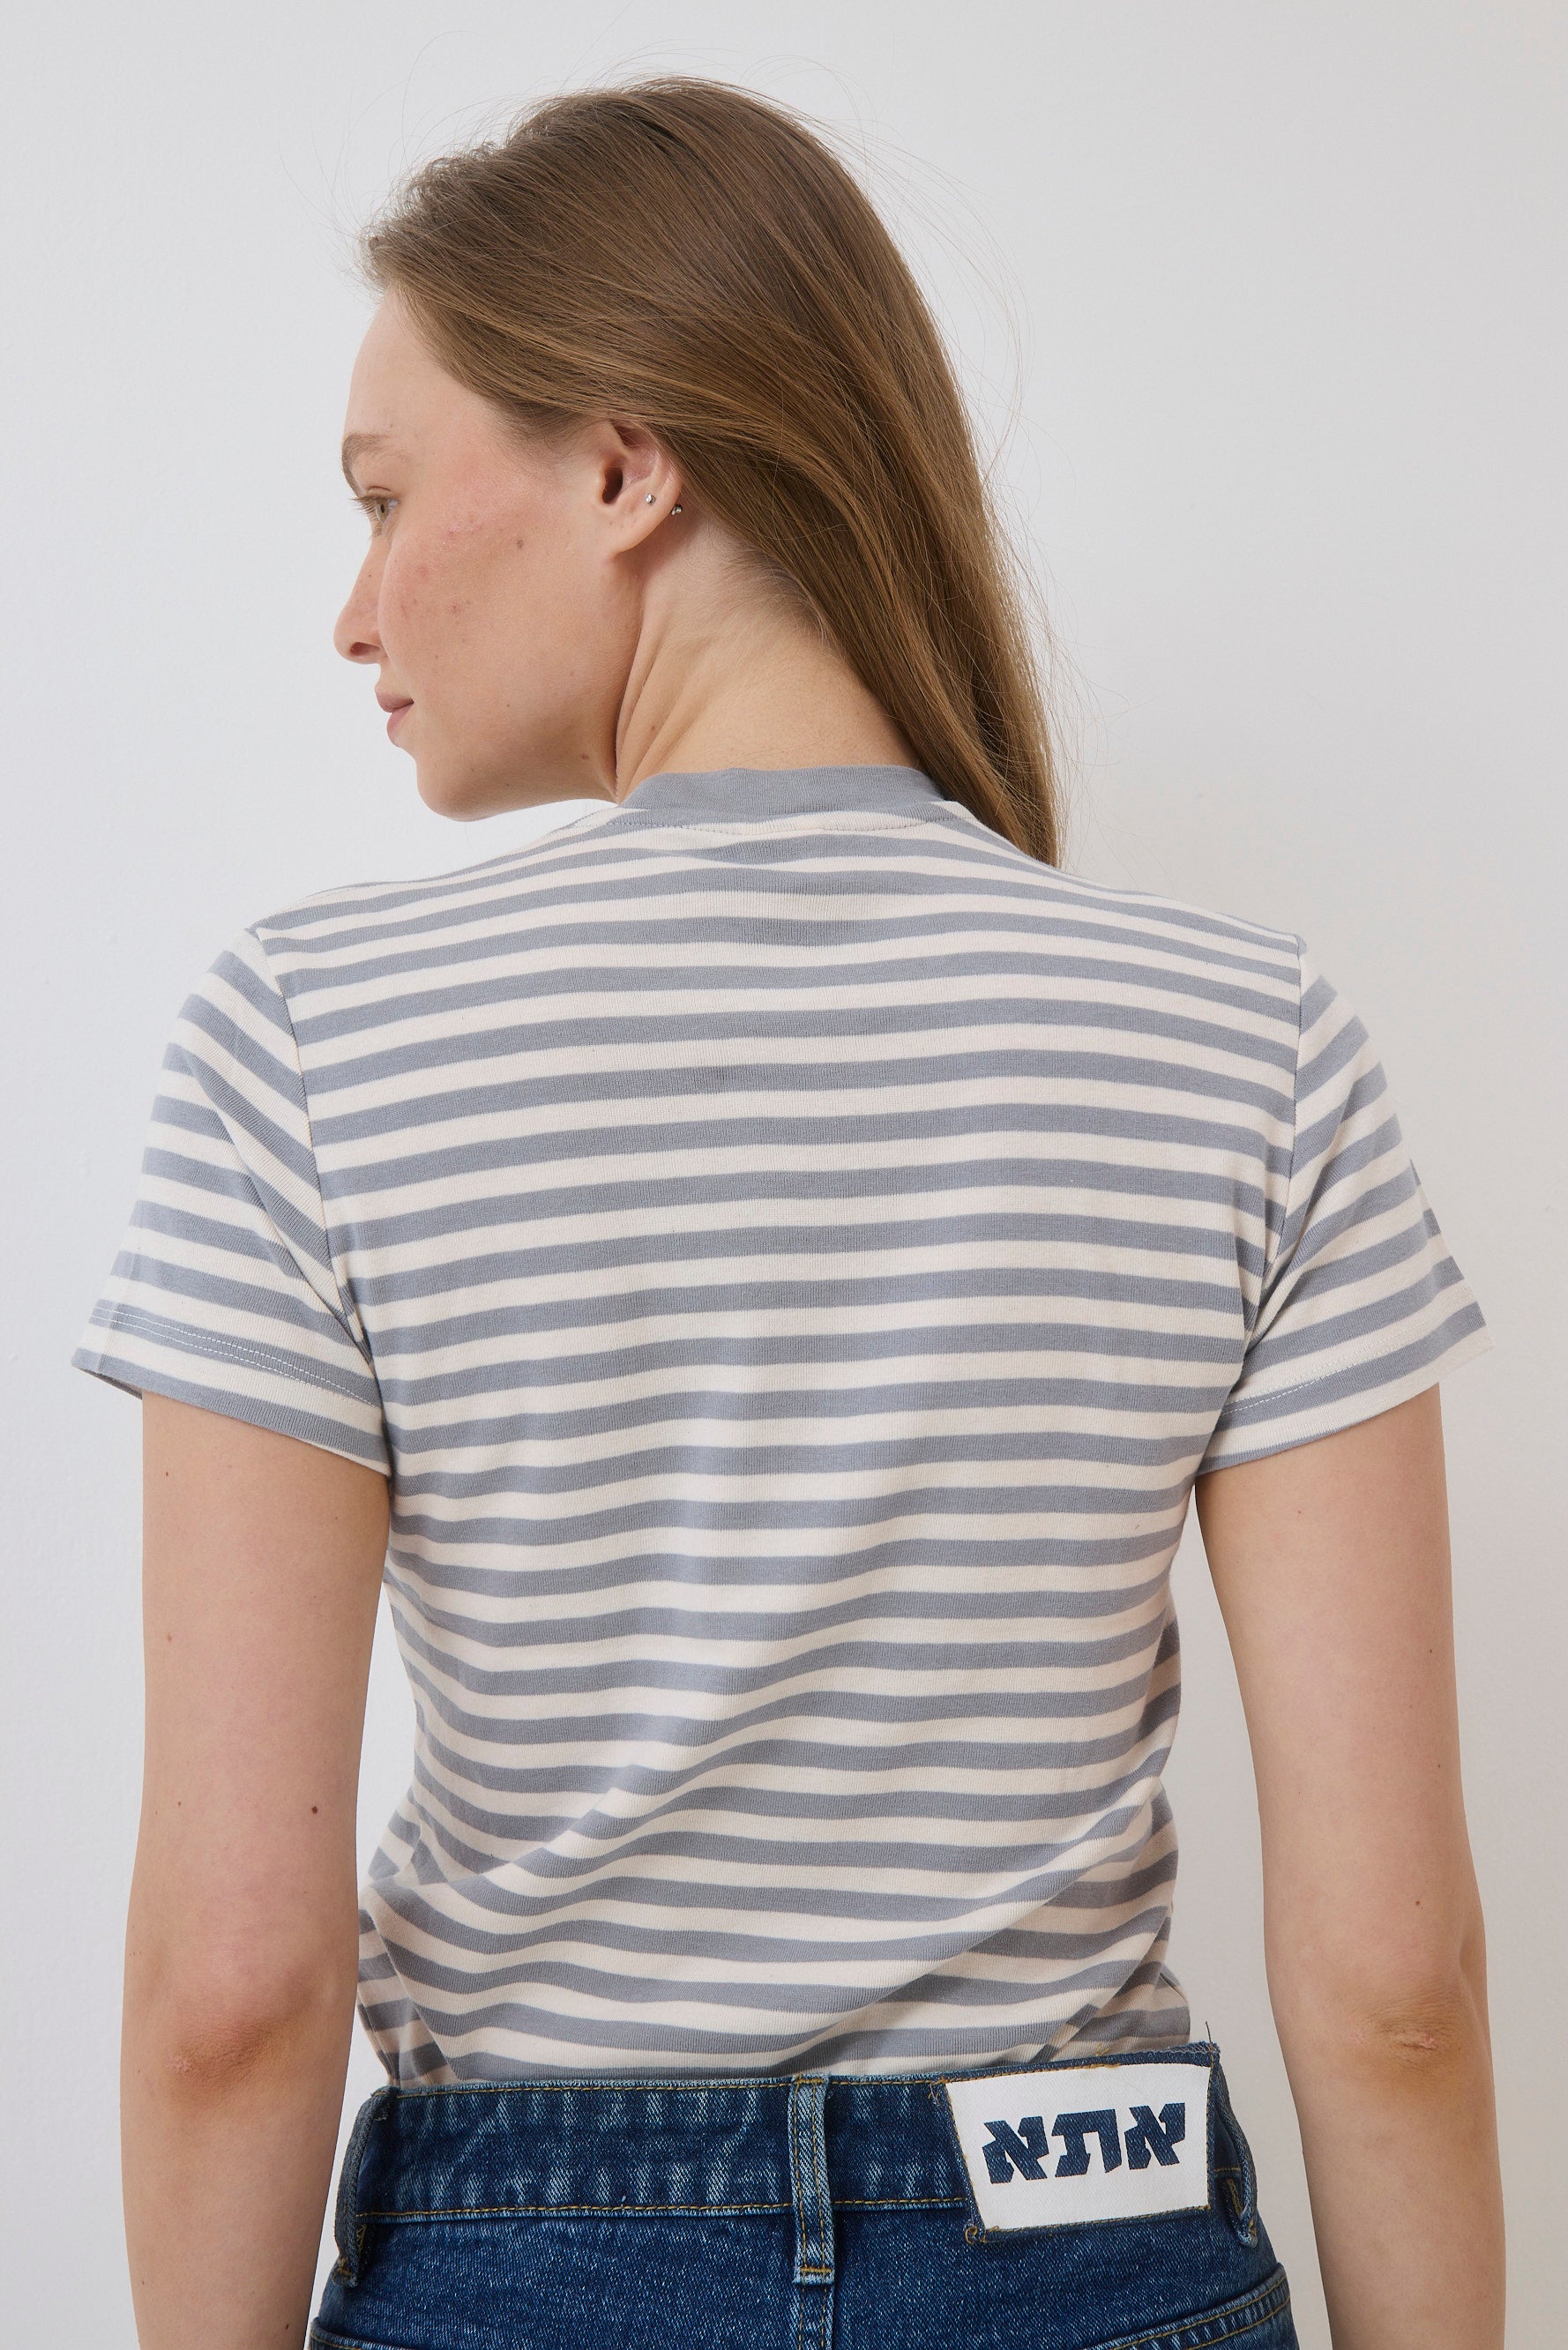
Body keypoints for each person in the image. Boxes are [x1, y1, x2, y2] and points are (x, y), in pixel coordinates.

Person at [71, 74, 1504, 2350]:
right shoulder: (1247, 1040)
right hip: (1089, 2238)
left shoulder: (314, 1041)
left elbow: (234, 1983)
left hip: (521, 2264)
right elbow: (1395, 1980)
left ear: (624, 468)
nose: (354, 611)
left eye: (383, 497)